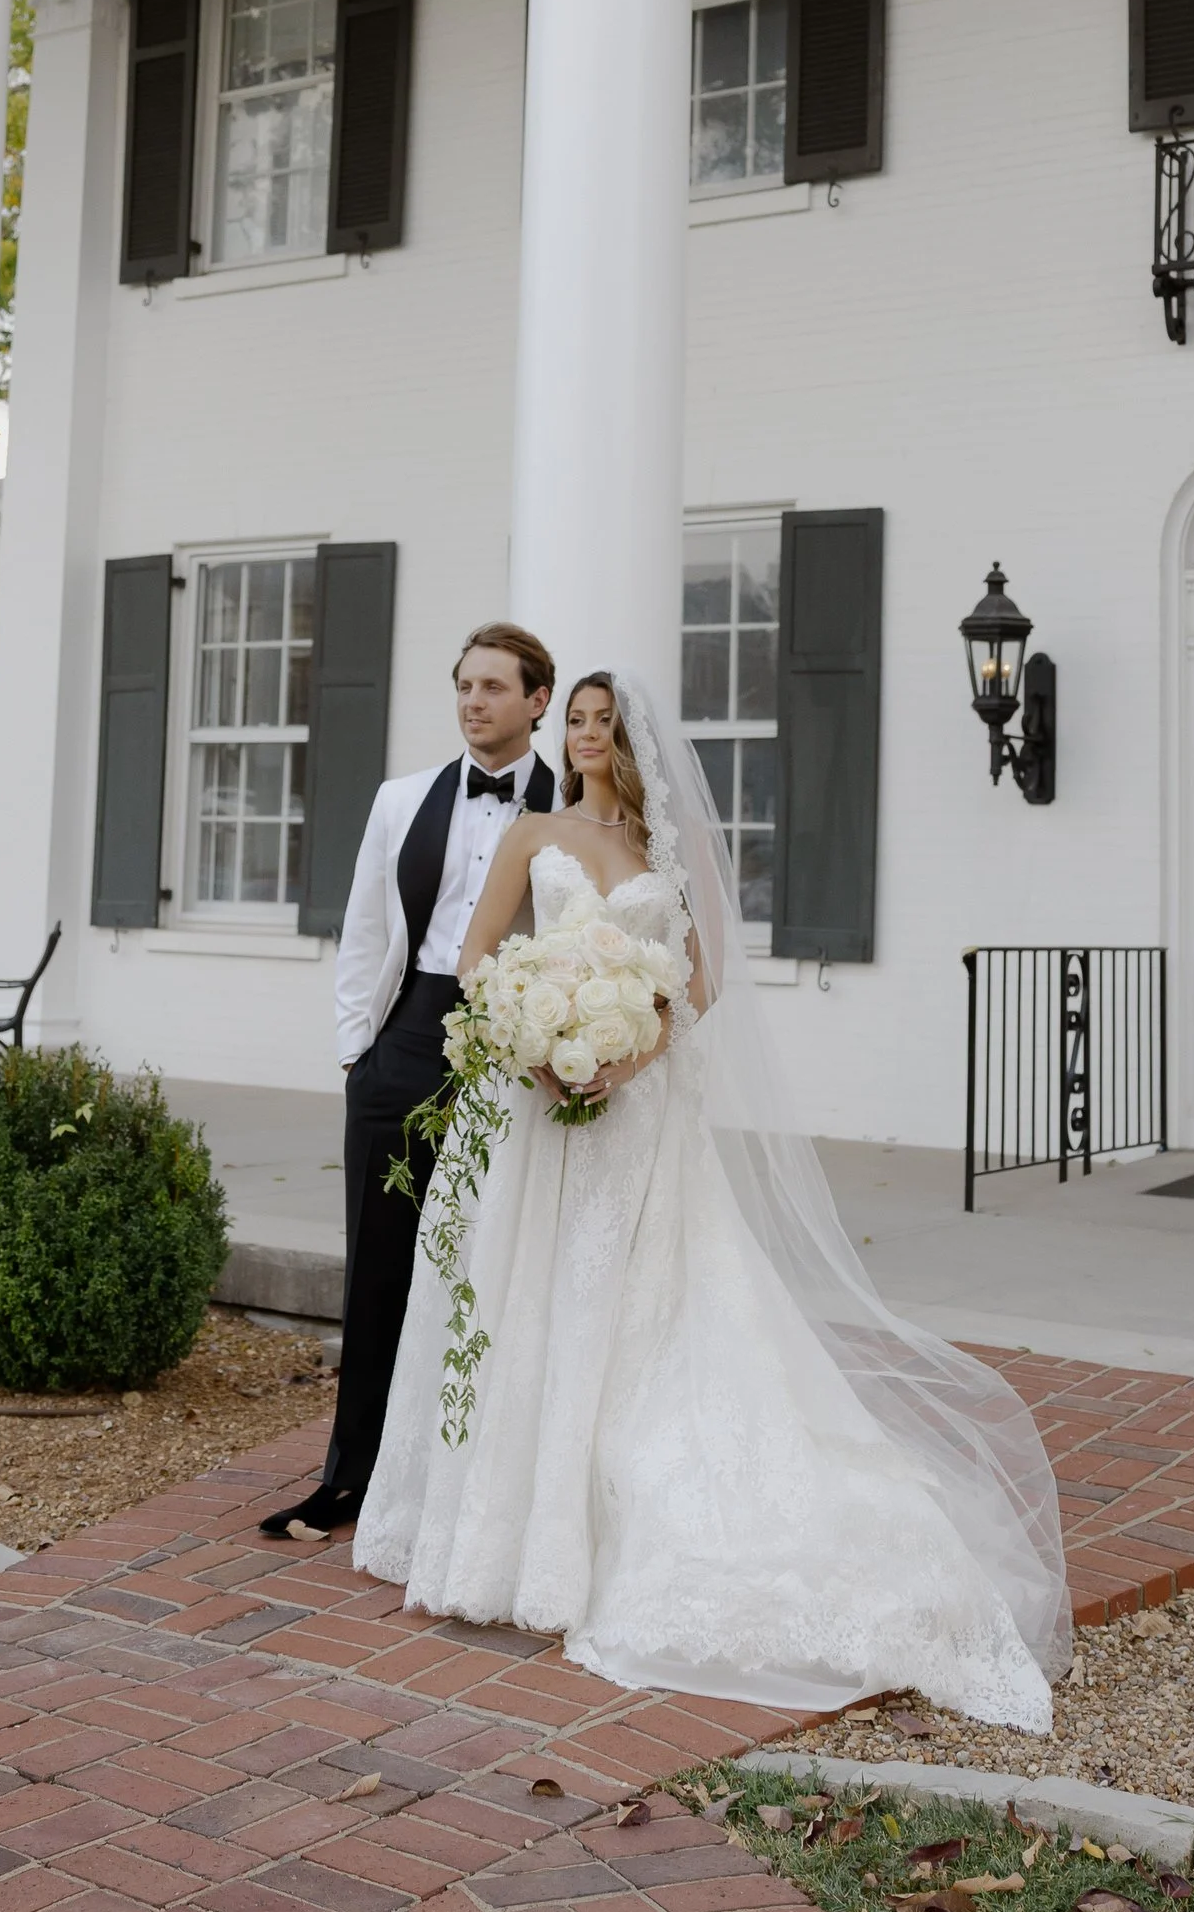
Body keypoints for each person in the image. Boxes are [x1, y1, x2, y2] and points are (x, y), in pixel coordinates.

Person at [353, 668, 1070, 1722]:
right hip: (531, 1112)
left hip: (635, 1116)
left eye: (605, 724)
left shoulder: (663, 859)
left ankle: (595, 1542)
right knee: (515, 1305)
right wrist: (534, 1042)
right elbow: (472, 963)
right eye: (580, 723)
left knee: (635, 1310)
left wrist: (622, 1058)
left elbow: (698, 986)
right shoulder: (531, 835)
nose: (589, 737)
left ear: (632, 743)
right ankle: (497, 1542)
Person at [258, 622, 558, 1543]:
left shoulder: (571, 807)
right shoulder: (400, 801)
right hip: (403, 1041)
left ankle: (463, 1479)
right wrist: (359, 1054)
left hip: (510, 1055)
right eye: (465, 685)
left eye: (495, 688)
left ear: (537, 702)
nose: (474, 702)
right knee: (379, 1269)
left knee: (484, 1268)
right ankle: (352, 1475)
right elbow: (360, 930)